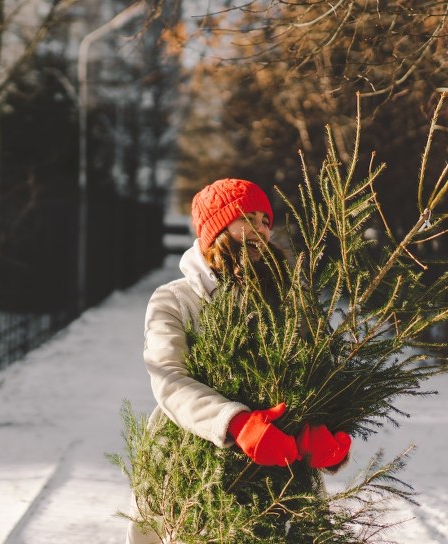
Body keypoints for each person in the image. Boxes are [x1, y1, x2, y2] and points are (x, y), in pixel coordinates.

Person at [126, 178, 351, 544]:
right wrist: (236, 422)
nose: (262, 229)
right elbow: (168, 378)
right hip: (195, 468)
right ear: (217, 227)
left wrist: (327, 429)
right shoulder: (175, 300)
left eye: (266, 220)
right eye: (249, 217)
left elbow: (319, 370)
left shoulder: (290, 299)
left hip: (283, 473)